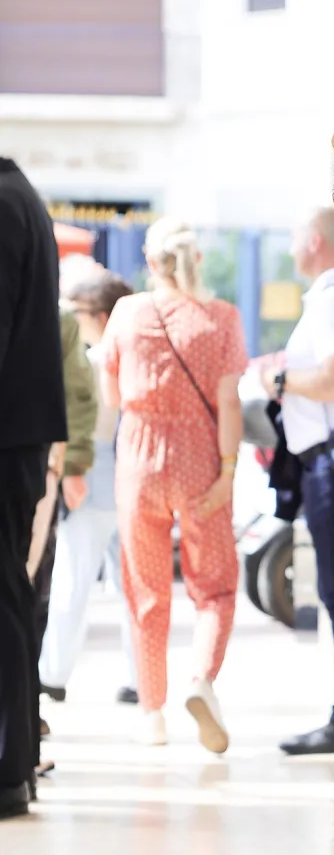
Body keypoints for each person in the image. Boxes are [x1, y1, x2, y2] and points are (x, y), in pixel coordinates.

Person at [101, 217, 247, 751]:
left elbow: (112, 397)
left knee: (146, 590)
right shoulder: (222, 317)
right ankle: (201, 680)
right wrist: (228, 472)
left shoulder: (126, 312)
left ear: (150, 261)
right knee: (215, 588)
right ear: (197, 259)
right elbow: (229, 402)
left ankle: (152, 716)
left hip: (138, 463)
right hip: (200, 462)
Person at [263, 208, 334, 756]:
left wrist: (281, 379)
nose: (289, 250)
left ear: (313, 241)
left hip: (333, 463)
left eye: (292, 238)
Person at [0, 157, 66, 818]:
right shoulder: (21, 196)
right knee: (11, 599)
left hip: (7, 438)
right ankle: (13, 766)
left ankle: (9, 769)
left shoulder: (4, 202)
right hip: (18, 438)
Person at [40, 272, 138, 703]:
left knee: (72, 580)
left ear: (99, 315)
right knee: (133, 587)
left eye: (75, 310)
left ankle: (52, 674)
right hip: (131, 480)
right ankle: (142, 679)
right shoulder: (137, 356)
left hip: (93, 477)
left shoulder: (96, 360)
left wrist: (72, 472)